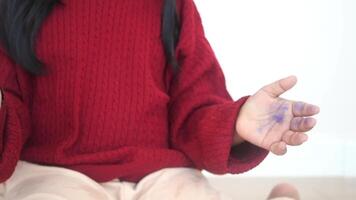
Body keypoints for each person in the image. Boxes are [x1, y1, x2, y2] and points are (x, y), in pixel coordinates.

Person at [0, 0, 319, 199]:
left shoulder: (173, 6)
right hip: (55, 174)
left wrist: (236, 124)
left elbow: (197, 110)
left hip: (161, 175)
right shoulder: (13, 9)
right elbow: (11, 118)